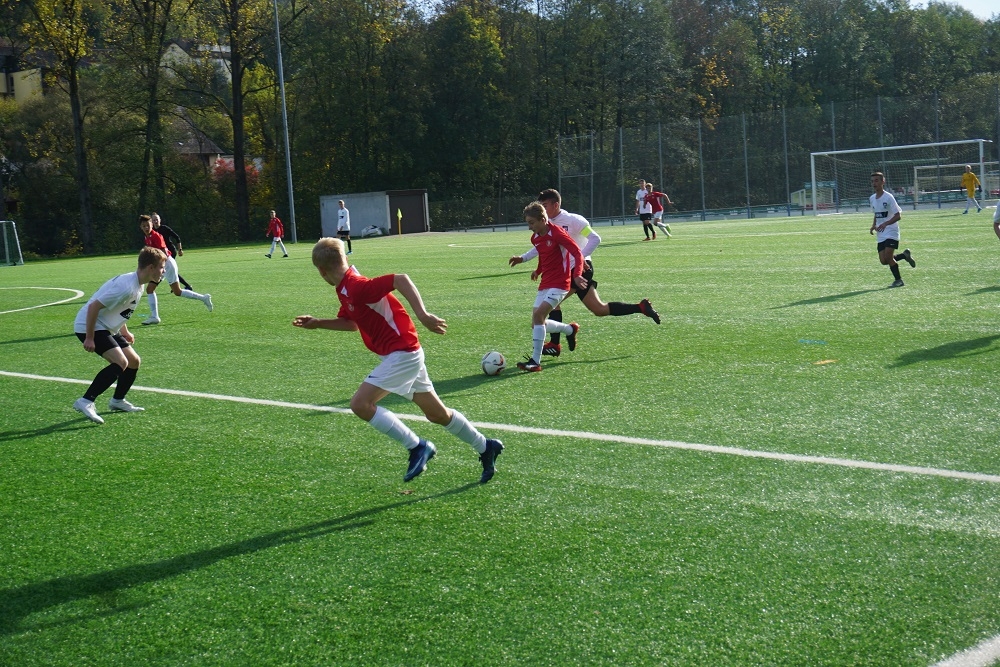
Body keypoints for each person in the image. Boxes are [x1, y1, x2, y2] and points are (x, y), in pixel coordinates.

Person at [292, 237, 504, 483]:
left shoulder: (357, 285)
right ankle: (485, 446)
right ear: (344, 258)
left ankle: (417, 446)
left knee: (361, 404)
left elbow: (400, 279)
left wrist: (423, 315)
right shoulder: (345, 288)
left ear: (321, 271)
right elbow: (351, 324)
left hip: (403, 354)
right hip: (403, 355)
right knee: (437, 414)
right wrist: (318, 323)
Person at [510, 188, 661, 358]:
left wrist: (579, 261)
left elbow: (595, 238)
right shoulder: (546, 225)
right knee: (599, 309)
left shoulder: (574, 220)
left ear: (555, 204)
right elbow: (543, 246)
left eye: (544, 205)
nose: (542, 208)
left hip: (579, 269)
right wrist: (525, 259)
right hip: (568, 270)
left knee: (549, 305)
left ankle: (555, 344)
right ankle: (640, 307)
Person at [72, 247, 167, 424]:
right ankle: (86, 401)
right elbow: (93, 307)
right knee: (120, 362)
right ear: (150, 267)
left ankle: (117, 401)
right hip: (88, 326)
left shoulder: (138, 283)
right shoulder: (127, 287)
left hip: (107, 327)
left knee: (133, 361)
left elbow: (120, 310)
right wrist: (90, 337)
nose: (164, 272)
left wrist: (125, 331)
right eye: (162, 267)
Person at [510, 201, 586, 372]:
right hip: (546, 282)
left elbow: (576, 252)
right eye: (528, 223)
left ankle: (535, 361)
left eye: (531, 222)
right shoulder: (535, 236)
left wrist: (577, 274)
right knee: (536, 322)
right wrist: (529, 264)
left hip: (561, 283)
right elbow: (541, 252)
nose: (529, 227)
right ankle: (569, 329)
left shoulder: (557, 233)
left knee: (539, 316)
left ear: (542, 219)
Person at [139, 215, 213, 324]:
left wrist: (162, 268)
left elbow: (164, 252)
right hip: (160, 265)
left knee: (170, 291)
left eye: (148, 225)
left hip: (167, 264)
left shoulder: (156, 236)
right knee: (156, 290)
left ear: (152, 225)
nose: (146, 228)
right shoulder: (147, 237)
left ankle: (203, 298)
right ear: (140, 227)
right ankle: (155, 317)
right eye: (144, 226)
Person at [869, 171, 915, 288]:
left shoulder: (889, 197)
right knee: (884, 261)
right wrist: (873, 225)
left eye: (877, 180)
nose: (874, 183)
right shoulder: (872, 198)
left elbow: (898, 215)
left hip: (891, 231)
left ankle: (898, 280)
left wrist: (886, 224)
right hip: (881, 233)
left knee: (889, 257)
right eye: (873, 181)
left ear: (883, 182)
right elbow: (876, 213)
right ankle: (904, 256)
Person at [151, 212, 192, 290]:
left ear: (160, 220)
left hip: (170, 251)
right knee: (167, 270)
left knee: (166, 269)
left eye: (157, 219)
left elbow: (177, 238)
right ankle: (178, 286)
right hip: (161, 254)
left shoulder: (165, 228)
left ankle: (185, 286)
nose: (155, 221)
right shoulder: (152, 232)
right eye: (153, 220)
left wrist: (180, 249)